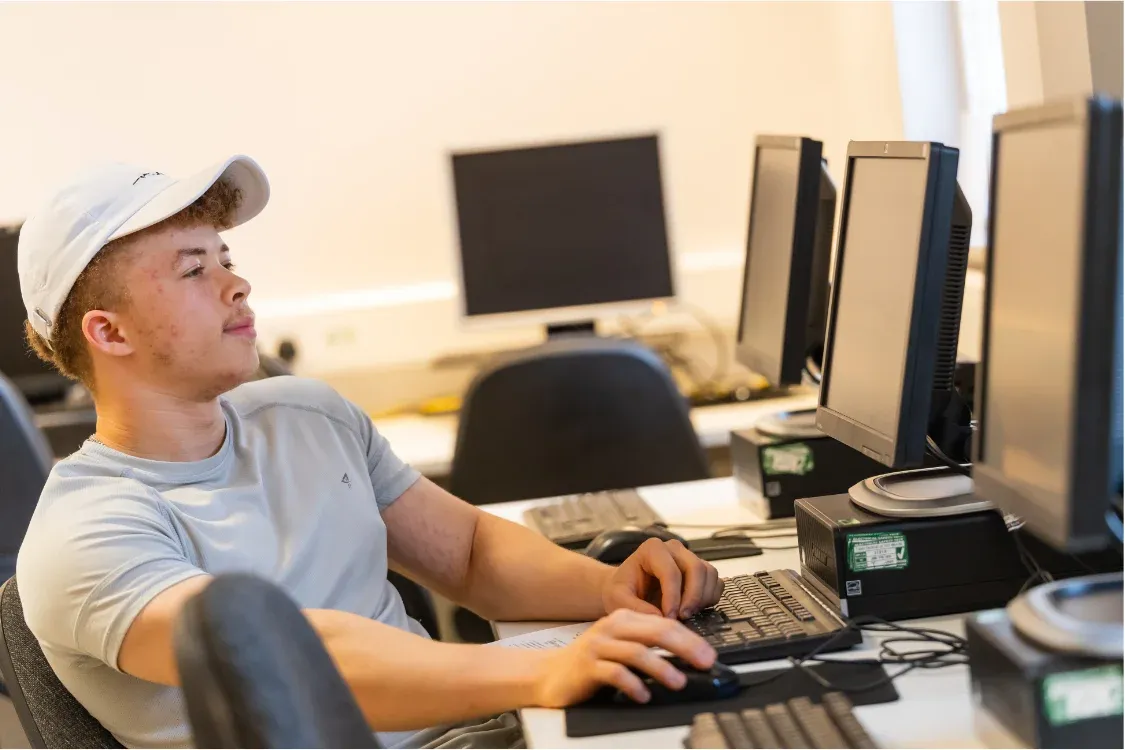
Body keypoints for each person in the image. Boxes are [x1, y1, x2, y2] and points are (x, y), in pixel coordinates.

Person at [15, 156, 725, 749]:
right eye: (194, 270)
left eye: (226, 259)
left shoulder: (307, 416)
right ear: (109, 333)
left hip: (481, 730)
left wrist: (608, 590)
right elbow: (286, 663)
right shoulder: (84, 533)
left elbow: (468, 553)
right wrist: (544, 671)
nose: (238, 283)